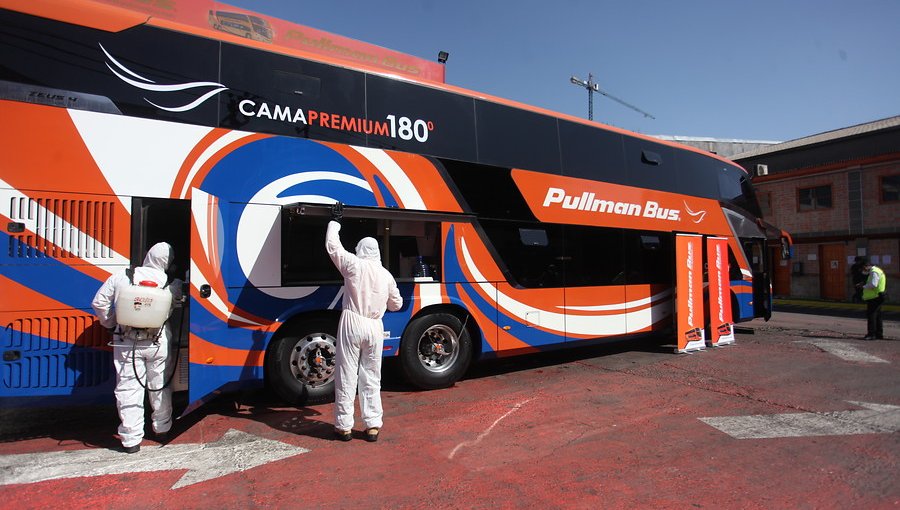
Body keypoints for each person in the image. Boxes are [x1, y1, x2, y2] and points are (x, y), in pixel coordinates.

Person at [91, 242, 183, 453]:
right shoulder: (172, 282)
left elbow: (99, 303)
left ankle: (131, 440)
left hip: (126, 341)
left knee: (128, 388)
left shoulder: (121, 277)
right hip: (158, 342)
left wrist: (112, 323)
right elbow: (179, 300)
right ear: (168, 263)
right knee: (159, 385)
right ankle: (162, 428)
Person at [325, 202, 402, 442]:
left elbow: (332, 247)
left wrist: (335, 221)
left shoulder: (354, 265)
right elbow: (396, 304)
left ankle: (344, 426)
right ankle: (372, 425)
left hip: (353, 320)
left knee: (346, 373)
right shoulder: (386, 275)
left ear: (360, 250)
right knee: (371, 375)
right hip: (375, 325)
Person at [860, 259, 886, 340]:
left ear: (866, 266)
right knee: (878, 316)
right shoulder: (877, 270)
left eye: (863, 268)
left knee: (872, 316)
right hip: (879, 296)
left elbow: (873, 285)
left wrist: (863, 286)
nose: (863, 270)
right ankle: (879, 334)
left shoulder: (874, 272)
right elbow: (865, 273)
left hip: (874, 297)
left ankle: (871, 334)